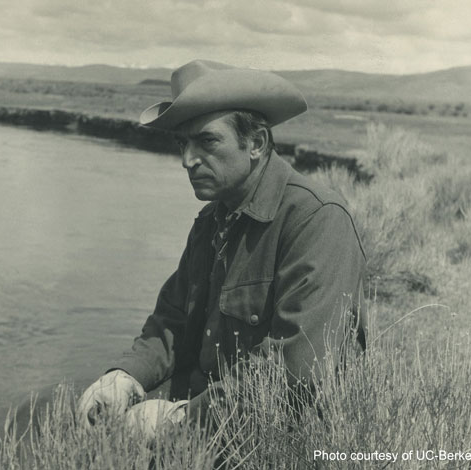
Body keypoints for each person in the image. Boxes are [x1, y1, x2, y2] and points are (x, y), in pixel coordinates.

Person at [76, 60, 367, 436]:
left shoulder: (317, 219)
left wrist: (178, 421)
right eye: (183, 143)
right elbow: (172, 323)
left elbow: (297, 373)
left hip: (280, 440)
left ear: (257, 143)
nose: (187, 160)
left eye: (207, 141)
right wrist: (125, 375)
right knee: (86, 421)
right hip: (212, 416)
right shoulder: (212, 222)